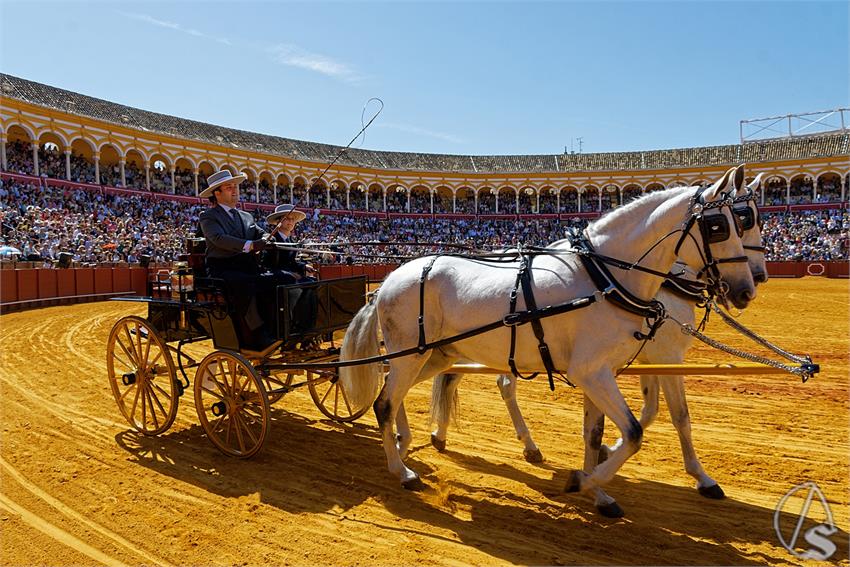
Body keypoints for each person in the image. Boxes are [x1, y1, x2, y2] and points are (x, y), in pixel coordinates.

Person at [198, 169, 279, 350]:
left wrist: (268, 237)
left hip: (247, 267)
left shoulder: (246, 216)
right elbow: (218, 239)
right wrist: (250, 245)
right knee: (246, 284)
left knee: (277, 280)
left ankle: (276, 328)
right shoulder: (208, 216)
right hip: (223, 269)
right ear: (216, 193)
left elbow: (260, 232)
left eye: (235, 187)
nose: (235, 191)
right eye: (229, 188)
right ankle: (256, 336)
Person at [262, 204, 316, 282]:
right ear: (278, 221)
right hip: (278, 278)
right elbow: (269, 265)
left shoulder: (292, 241)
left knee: (313, 282)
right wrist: (290, 274)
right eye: (287, 218)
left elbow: (292, 262)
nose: (291, 221)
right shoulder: (271, 240)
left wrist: (304, 266)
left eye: (293, 219)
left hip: (291, 276)